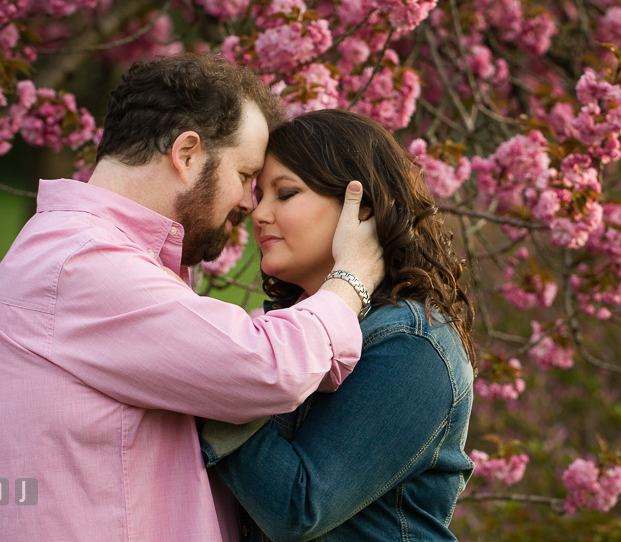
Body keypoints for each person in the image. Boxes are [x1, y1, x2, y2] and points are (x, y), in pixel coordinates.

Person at [0, 54, 383, 542]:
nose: (247, 204)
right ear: (187, 153)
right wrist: (352, 278)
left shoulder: (80, 255)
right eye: (243, 176)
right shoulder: (81, 262)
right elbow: (268, 367)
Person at [201, 109, 476, 542]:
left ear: (361, 210)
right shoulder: (289, 330)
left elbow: (300, 508)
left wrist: (202, 378)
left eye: (285, 193)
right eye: (257, 196)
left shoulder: (410, 341)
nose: (258, 214)